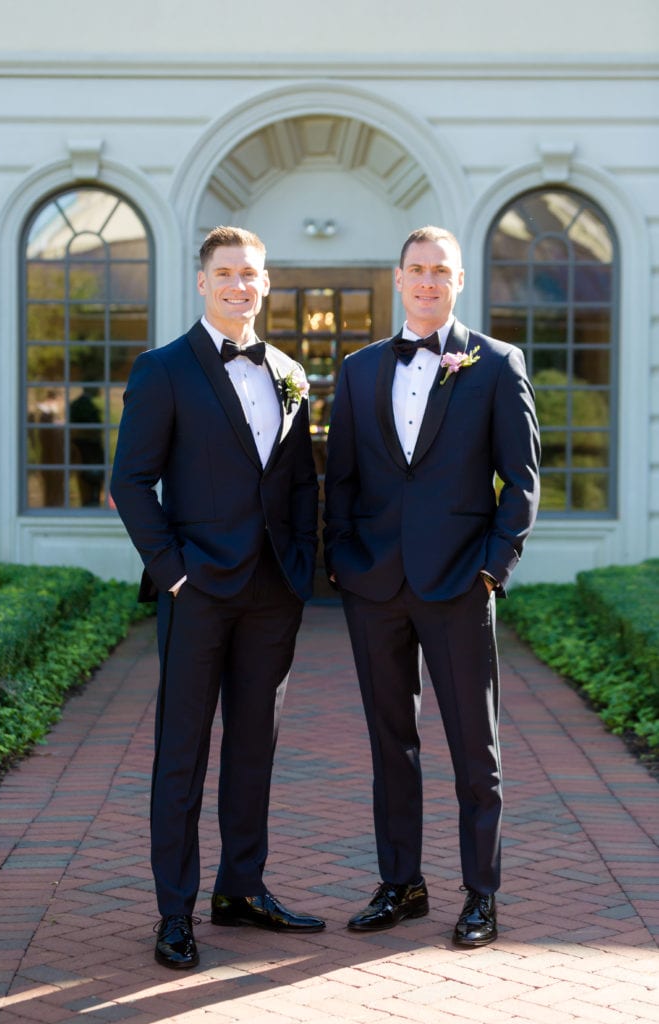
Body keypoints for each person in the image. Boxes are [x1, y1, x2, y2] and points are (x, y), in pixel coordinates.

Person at [111, 225, 324, 971]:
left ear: (266, 285)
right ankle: (175, 912)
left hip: (273, 591)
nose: (240, 285)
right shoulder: (163, 370)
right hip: (196, 588)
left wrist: (301, 567)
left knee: (254, 748)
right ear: (202, 282)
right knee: (182, 752)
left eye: (252, 274)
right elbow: (129, 481)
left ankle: (242, 889)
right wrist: (171, 572)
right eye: (227, 272)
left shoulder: (290, 372)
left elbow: (299, 481)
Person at [324, 225, 540, 948]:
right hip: (375, 587)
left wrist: (490, 570)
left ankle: (481, 896)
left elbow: (522, 484)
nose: (426, 281)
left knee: (475, 751)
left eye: (439, 271)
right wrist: (343, 563)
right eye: (416, 269)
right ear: (397, 277)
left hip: (456, 585)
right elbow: (342, 478)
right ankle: (401, 884)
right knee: (391, 745)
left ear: (457, 281)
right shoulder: (356, 370)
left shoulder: (495, 364)